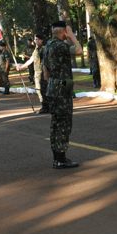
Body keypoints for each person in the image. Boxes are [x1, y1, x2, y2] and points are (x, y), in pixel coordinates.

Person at [42, 21, 82, 169]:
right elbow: (79, 50)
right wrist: (72, 36)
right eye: (67, 31)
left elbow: (45, 72)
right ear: (64, 31)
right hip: (62, 84)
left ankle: (58, 157)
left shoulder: (47, 46)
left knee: (56, 122)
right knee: (64, 123)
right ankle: (60, 159)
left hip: (52, 85)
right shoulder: (60, 45)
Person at [17, 34, 49, 113]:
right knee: (39, 90)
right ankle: (45, 106)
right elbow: (31, 60)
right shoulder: (36, 50)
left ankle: (47, 107)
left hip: (43, 73)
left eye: (37, 39)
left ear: (41, 40)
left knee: (44, 90)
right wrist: (22, 66)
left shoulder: (44, 49)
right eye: (35, 39)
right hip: (37, 73)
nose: (35, 41)